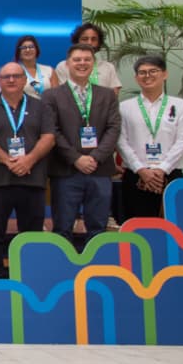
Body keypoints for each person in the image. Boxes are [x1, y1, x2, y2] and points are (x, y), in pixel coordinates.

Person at [0, 63, 55, 280]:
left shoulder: (41, 107)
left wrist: (29, 160)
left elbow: (49, 137)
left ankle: (30, 276)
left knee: (31, 234)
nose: (11, 80)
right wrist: (7, 161)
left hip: (32, 178)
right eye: (6, 77)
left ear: (24, 80)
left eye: (16, 76)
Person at [42, 43, 122, 244]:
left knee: (98, 228)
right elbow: (52, 131)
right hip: (66, 170)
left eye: (87, 59)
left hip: (99, 169)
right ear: (68, 64)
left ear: (93, 64)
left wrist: (95, 157)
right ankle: (62, 270)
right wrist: (76, 158)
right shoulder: (51, 95)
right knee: (63, 228)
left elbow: (113, 128)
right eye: (77, 60)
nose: (82, 63)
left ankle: (99, 269)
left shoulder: (107, 95)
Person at [116, 55, 183, 219]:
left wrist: (162, 169)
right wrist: (141, 169)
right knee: (138, 228)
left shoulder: (180, 106)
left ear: (164, 74)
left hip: (171, 175)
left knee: (172, 225)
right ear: (136, 78)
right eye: (142, 72)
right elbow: (121, 141)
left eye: (153, 71)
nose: (147, 76)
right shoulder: (125, 107)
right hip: (136, 175)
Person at [54, 22, 122, 95]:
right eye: (85, 39)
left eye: (94, 39)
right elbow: (60, 96)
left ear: (99, 43)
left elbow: (114, 96)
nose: (89, 43)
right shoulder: (63, 66)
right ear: (77, 41)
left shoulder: (108, 67)